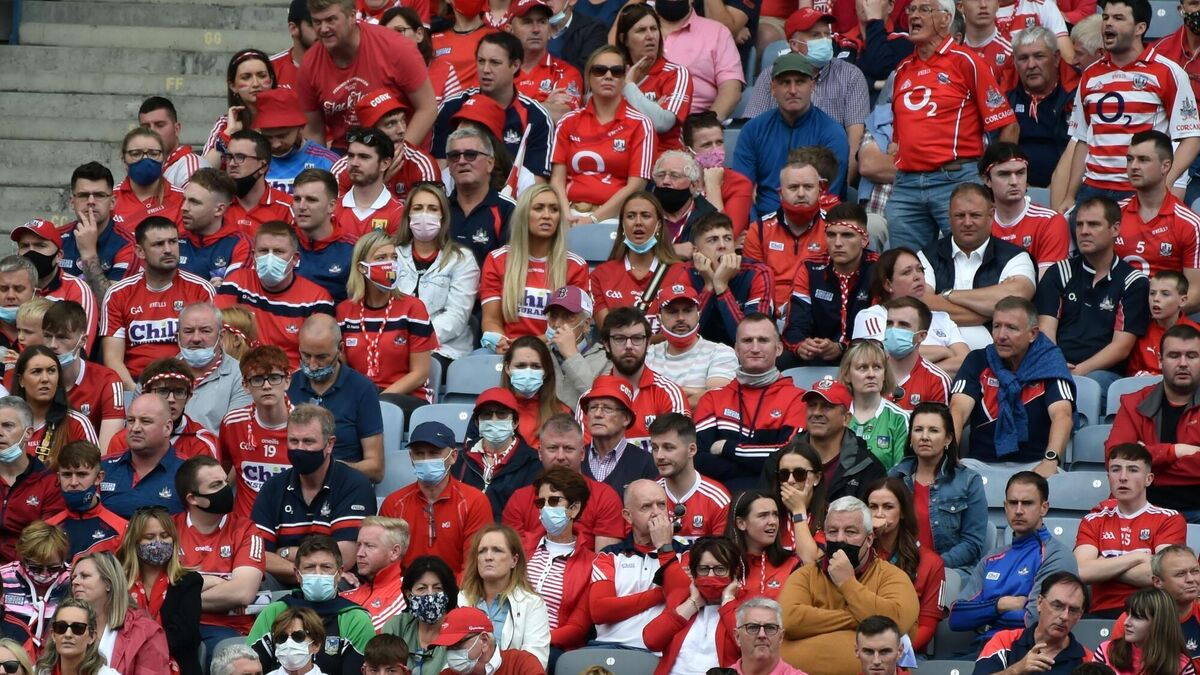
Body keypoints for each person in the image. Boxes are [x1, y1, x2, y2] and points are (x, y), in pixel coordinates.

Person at [886, 0, 1017, 252]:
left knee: (970, 257)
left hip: (955, 179)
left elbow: (1007, 124)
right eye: (911, 10)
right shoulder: (902, 69)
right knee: (905, 264)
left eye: (925, 9)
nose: (914, 16)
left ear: (946, 18)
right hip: (906, 185)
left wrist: (994, 175)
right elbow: (899, 137)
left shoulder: (966, 61)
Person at [1060, 0, 1200, 212]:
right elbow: (1082, 139)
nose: (1108, 23)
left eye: (1118, 18)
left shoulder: (1167, 72)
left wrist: (1164, 185)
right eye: (1106, 17)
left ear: (1140, 28)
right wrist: (1070, 195)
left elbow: (1191, 138)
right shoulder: (1090, 75)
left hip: (1139, 190)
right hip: (1093, 189)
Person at [779, 496, 919, 674]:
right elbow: (788, 620)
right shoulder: (805, 575)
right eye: (832, 531)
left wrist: (847, 583)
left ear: (869, 539)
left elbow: (894, 623)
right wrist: (860, 618)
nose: (840, 539)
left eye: (850, 532)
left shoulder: (892, 576)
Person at [1036, 196, 1150, 397]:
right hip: (1056, 365)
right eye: (1079, 224)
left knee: (1090, 385)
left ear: (1115, 229)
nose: (1084, 231)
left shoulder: (1133, 281)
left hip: (1104, 373)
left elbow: (1121, 347)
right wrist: (1057, 366)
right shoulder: (1058, 272)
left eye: (1094, 224)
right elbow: (1046, 330)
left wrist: (1077, 372)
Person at [949, 295, 1074, 474]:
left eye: (1011, 328)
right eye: (996, 326)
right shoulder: (977, 360)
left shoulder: (1051, 363)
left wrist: (1050, 460)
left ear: (1033, 334)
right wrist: (949, 456)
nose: (1001, 336)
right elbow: (958, 410)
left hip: (1035, 464)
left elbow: (1062, 415)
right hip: (979, 464)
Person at [253, 405, 377, 585]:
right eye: (293, 441)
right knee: (255, 580)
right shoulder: (273, 487)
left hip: (334, 582)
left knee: (339, 581)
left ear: (329, 444)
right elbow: (258, 554)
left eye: (308, 441)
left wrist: (284, 552)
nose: (299, 449)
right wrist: (305, 574)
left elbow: (344, 557)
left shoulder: (354, 485)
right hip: (285, 579)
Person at [950, 471, 1080, 640]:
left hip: (1025, 649)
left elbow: (1035, 620)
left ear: (1044, 508)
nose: (1018, 511)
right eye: (1013, 503)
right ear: (1005, 506)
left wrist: (982, 615)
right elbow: (956, 618)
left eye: (1027, 503)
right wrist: (1000, 605)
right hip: (983, 647)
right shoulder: (991, 558)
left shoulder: (1056, 556)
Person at [746, 9, 871, 180]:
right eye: (815, 35)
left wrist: (839, 187)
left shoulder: (850, 75)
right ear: (794, 44)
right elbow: (753, 136)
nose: (825, 40)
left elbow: (855, 139)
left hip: (830, 175)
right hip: (777, 174)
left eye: (827, 34)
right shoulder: (770, 75)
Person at [297, 0, 436, 150]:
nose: (323, 29)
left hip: (399, 143)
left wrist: (402, 152)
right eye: (317, 22)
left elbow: (427, 108)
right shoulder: (309, 64)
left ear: (352, 16)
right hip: (346, 151)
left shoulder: (396, 47)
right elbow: (315, 131)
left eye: (331, 20)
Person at [916, 184, 1038, 351]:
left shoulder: (1016, 257)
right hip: (939, 352)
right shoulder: (926, 256)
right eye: (960, 215)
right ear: (949, 217)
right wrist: (987, 311)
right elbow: (920, 304)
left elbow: (1016, 300)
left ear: (991, 215)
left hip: (998, 355)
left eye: (975, 215)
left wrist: (948, 294)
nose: (967, 223)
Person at [100, 216, 216, 390]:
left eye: (173, 242)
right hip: (136, 385)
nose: (168, 250)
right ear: (140, 251)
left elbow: (214, 349)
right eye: (159, 244)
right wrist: (139, 394)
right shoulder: (118, 294)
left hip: (188, 384)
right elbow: (113, 360)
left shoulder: (201, 290)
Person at [694, 314, 807, 490]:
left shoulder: (799, 399)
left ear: (778, 348)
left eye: (763, 340)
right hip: (720, 497)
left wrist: (728, 448)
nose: (755, 348)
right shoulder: (713, 399)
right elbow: (698, 458)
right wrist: (755, 467)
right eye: (747, 341)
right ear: (736, 349)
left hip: (774, 498)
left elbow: (788, 457)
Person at [1076, 443, 1188, 617]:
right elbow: (1082, 571)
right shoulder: (1093, 520)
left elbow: (1163, 575)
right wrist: (1137, 557)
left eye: (1133, 470)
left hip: (1151, 612)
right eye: (1115, 470)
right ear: (1108, 477)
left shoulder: (1169, 519)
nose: (1122, 477)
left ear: (1148, 479)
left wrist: (1104, 565)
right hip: (1102, 613)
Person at [732, 56, 848, 219]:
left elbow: (828, 196)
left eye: (800, 82)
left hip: (814, 223)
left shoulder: (832, 133)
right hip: (762, 221)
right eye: (785, 83)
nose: (793, 90)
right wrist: (754, 228)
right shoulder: (753, 130)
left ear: (812, 86)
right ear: (773, 88)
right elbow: (741, 191)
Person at [173, 455, 266, 657]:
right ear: (192, 498)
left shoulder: (246, 530)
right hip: (175, 625)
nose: (226, 489)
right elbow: (155, 587)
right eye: (216, 485)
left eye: (225, 481)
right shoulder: (168, 530)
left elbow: (242, 592)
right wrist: (212, 583)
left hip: (229, 630)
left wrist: (181, 598)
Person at [551, 46, 655, 225]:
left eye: (616, 71)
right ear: (588, 77)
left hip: (616, 217)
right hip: (568, 212)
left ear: (624, 78)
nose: (608, 76)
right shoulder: (568, 121)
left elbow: (637, 185)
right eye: (600, 70)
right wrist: (566, 216)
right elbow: (556, 179)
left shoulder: (641, 124)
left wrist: (592, 219)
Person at [433, 33, 555, 185]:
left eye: (495, 63)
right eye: (481, 61)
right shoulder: (452, 107)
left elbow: (536, 185)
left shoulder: (536, 116)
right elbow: (440, 168)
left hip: (515, 197)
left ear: (515, 65)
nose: (485, 69)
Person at [479, 185, 589, 352]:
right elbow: (491, 319)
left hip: (554, 351)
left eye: (554, 209)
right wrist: (503, 344)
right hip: (507, 350)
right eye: (538, 208)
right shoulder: (497, 259)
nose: (547, 215)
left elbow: (572, 327)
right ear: (523, 214)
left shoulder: (576, 266)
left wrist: (525, 347)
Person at [338, 229, 436, 412]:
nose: (390, 264)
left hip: (406, 398)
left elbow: (420, 373)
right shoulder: (345, 311)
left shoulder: (413, 308)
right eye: (381, 258)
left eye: (394, 257)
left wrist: (378, 400)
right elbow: (342, 368)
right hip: (360, 396)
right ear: (362, 267)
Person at [1108, 323, 1200, 519]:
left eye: (1192, 356)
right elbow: (1115, 458)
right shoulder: (1134, 403)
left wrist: (1147, 457)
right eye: (1174, 356)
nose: (1183, 363)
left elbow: (1131, 463)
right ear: (1160, 361)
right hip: (1141, 509)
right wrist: (1176, 451)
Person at [215, 220, 336, 367]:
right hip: (242, 372)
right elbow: (219, 331)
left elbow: (317, 357)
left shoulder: (317, 299)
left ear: (295, 259)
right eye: (263, 251)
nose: (270, 258)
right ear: (253, 255)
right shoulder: (237, 283)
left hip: (291, 375)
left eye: (278, 251)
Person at [248, 536, 375, 674]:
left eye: (326, 567)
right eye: (310, 567)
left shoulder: (355, 619)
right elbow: (248, 666)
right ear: (297, 574)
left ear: (339, 573)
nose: (318, 574)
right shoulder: (274, 612)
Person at [380, 421, 494, 573]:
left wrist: (446, 587)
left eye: (434, 453)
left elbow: (473, 567)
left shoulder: (474, 502)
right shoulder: (394, 504)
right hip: (404, 587)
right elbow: (386, 565)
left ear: (453, 456)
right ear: (411, 457)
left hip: (459, 587)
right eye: (419, 454)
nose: (426, 459)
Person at [502, 414, 626, 553]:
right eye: (552, 448)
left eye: (568, 449)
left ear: (582, 453)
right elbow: (512, 558)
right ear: (540, 453)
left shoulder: (604, 497)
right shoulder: (519, 499)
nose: (560, 457)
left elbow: (604, 561)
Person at [888, 402, 988, 573]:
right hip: (901, 569)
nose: (924, 437)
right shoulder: (895, 477)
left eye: (933, 430)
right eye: (918, 430)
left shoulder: (969, 480)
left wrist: (932, 566)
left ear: (948, 439)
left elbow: (972, 543)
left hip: (949, 569)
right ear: (910, 437)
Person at [286, 314, 385, 481]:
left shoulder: (362, 389)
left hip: (342, 484)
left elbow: (376, 469)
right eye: (306, 355)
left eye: (321, 357)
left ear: (340, 348)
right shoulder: (288, 385)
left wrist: (326, 467)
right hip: (293, 482)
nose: (312, 365)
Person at [783, 205, 880, 367]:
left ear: (864, 240)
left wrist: (842, 347)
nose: (838, 243)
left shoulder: (878, 269)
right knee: (781, 360)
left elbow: (879, 332)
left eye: (847, 235)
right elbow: (795, 323)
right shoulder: (810, 267)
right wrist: (801, 346)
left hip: (864, 354)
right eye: (831, 235)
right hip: (818, 354)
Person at [588, 479, 680, 651]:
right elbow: (600, 611)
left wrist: (664, 547)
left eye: (661, 505)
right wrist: (662, 593)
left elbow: (680, 598)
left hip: (659, 653)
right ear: (627, 516)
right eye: (646, 507)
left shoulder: (686, 553)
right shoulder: (609, 555)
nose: (656, 513)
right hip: (606, 647)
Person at [394, 184, 479, 363]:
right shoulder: (392, 255)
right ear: (408, 215)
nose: (424, 215)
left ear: (443, 217)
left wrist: (416, 339)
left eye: (432, 209)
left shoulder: (462, 259)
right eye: (418, 208)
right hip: (394, 341)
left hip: (445, 349)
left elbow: (456, 316)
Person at [1114, 132, 1200, 309]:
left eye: (1143, 160)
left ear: (1165, 166)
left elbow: (1196, 293)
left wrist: (1152, 312)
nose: (1133, 166)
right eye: (1130, 159)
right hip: (1112, 314)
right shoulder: (1113, 214)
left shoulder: (1190, 224)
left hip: (1161, 320)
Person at [519, 466, 598, 658]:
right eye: (541, 502)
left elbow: (577, 628)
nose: (546, 508)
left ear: (574, 508)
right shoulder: (520, 548)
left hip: (552, 648)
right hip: (509, 639)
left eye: (554, 501)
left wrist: (533, 642)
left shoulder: (591, 564)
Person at [116, 506, 203, 675]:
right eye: (149, 537)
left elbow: (184, 636)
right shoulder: (118, 583)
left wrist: (140, 648)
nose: (158, 542)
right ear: (134, 542)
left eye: (164, 536)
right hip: (124, 665)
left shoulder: (189, 582)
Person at [866, 478, 946, 653]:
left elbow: (927, 625)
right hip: (856, 647)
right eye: (872, 507)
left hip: (904, 652)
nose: (879, 514)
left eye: (888, 507)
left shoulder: (931, 563)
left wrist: (892, 653)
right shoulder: (858, 554)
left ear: (902, 512)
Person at [643, 536, 742, 674]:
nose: (711, 575)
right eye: (703, 569)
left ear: (734, 572)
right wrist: (693, 603)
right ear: (694, 572)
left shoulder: (746, 605)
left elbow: (748, 646)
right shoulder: (680, 597)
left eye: (720, 569)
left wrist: (727, 602)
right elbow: (652, 641)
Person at [589, 191, 687, 328]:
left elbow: (680, 328)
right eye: (631, 216)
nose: (638, 222)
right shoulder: (600, 275)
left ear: (659, 224)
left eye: (646, 216)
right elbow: (607, 331)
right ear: (622, 224)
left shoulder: (680, 272)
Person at [593, 307, 689, 447]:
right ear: (606, 345)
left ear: (648, 343)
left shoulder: (669, 394)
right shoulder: (591, 399)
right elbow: (585, 457)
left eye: (637, 338)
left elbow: (679, 452)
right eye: (620, 339)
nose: (629, 346)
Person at [457, 524, 551, 667]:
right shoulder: (460, 600)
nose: (488, 557)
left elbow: (535, 662)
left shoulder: (533, 604)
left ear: (514, 560)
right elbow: (451, 658)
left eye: (497, 550)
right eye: (482, 551)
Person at [218, 345, 294, 520]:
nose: (266, 386)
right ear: (245, 385)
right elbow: (222, 472)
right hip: (246, 526)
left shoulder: (304, 424)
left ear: (287, 380)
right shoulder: (233, 423)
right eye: (258, 379)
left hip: (290, 524)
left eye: (274, 378)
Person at [974, 572, 1096, 675]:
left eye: (1073, 610)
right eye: (1057, 606)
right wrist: (1016, 670)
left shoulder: (1088, 661)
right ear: (1039, 603)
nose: (1064, 616)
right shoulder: (1005, 641)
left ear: (1080, 615)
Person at [70, 552, 171, 675]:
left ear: (108, 583)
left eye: (84, 576)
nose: (75, 582)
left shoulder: (145, 632)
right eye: (73, 578)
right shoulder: (63, 626)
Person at [684, 213, 774, 345]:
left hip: (745, 354)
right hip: (699, 352)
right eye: (712, 240)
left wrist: (721, 286)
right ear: (696, 252)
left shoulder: (758, 272)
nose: (722, 245)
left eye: (727, 238)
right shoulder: (687, 272)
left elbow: (752, 340)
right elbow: (683, 335)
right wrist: (709, 286)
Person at [611, 5, 691, 152]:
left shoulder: (676, 73)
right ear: (624, 39)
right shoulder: (612, 72)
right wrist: (652, 108)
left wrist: (628, 87)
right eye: (641, 30)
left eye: (654, 29)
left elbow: (662, 123)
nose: (650, 36)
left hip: (663, 158)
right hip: (621, 153)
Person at [104, 358, 218, 461]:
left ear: (188, 397)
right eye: (163, 391)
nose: (171, 399)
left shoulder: (202, 443)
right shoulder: (123, 440)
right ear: (145, 394)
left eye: (179, 392)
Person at [10, 220, 98, 353]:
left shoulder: (77, 289)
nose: (31, 252)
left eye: (40, 245)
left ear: (59, 256)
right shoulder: (8, 287)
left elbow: (79, 350)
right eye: (25, 246)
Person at [452, 387, 542, 518]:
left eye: (502, 414)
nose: (494, 420)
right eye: (487, 415)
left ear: (515, 422)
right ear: (477, 423)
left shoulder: (533, 463)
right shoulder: (461, 460)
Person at [1007, 27, 1077, 190]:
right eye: (1023, 58)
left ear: (1056, 58)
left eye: (1039, 56)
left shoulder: (1078, 92)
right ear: (1014, 62)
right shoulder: (1003, 93)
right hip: (1015, 187)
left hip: (1069, 187)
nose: (1031, 65)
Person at [983, 143, 1071, 274]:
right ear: (987, 180)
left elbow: (1047, 282)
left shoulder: (1050, 221)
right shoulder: (979, 223)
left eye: (1020, 173)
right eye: (1004, 174)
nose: (1014, 182)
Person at [645, 283, 736, 408]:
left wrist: (662, 398)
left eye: (688, 311)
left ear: (699, 314)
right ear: (659, 318)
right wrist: (697, 392)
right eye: (672, 312)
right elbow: (638, 399)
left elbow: (718, 398)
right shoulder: (647, 355)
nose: (681, 318)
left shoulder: (721, 352)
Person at [796, 379, 887, 504]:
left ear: (846, 418)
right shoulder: (782, 459)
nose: (816, 412)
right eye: (812, 405)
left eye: (827, 406)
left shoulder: (868, 467)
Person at [1108, 546, 1200, 664]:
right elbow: (1118, 667)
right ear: (1157, 582)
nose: (1191, 579)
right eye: (1180, 574)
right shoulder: (1130, 620)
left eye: (1195, 571)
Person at [9, 346, 97, 468]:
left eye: (51, 371)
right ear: (21, 380)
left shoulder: (77, 423)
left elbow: (93, 473)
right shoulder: (3, 422)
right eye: (36, 371)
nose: (45, 379)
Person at [60, 162, 136, 300]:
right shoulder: (56, 238)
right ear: (72, 202)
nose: (91, 201)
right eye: (83, 195)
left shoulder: (128, 245)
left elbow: (111, 303)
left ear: (112, 202)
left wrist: (89, 254)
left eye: (99, 195)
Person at [656, 0, 743, 120]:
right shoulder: (637, 31)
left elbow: (731, 90)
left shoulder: (717, 32)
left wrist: (706, 124)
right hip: (640, 124)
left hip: (695, 122)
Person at [650, 413, 729, 542]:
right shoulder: (647, 495)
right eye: (654, 448)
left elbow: (720, 553)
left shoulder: (718, 500)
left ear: (691, 450)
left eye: (668, 448)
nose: (659, 456)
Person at [445, 126, 517, 265]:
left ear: (490, 163)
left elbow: (512, 266)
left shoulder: (509, 210)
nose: (461, 161)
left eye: (471, 155)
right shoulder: (439, 208)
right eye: (454, 156)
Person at [177, 302, 252, 433]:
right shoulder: (157, 374)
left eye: (205, 331)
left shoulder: (241, 376)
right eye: (188, 331)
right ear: (177, 336)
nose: (196, 338)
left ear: (221, 336)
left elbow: (237, 434)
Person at [578, 375, 658, 497]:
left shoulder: (645, 463)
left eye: (607, 408)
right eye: (593, 407)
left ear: (626, 418)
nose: (598, 414)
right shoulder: (575, 458)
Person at [45, 441, 127, 559]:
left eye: (81, 475)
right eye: (67, 475)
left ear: (99, 478)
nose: (73, 482)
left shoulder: (121, 530)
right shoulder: (47, 529)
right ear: (58, 477)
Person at [380, 555, 458, 674]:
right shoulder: (397, 627)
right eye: (422, 588)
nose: (430, 595)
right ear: (409, 594)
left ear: (447, 593)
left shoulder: (459, 630)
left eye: (437, 588)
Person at [252, 89, 339, 195]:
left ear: (301, 128)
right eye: (268, 137)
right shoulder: (251, 160)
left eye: (282, 136)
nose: (275, 144)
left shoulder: (327, 162)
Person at [287, 168, 355, 303]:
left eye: (311, 200)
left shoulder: (353, 250)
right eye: (297, 199)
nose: (301, 206)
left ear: (332, 206)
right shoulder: (281, 243)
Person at [510, 0, 582, 123]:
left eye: (542, 22)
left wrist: (511, 107)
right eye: (527, 22)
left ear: (549, 30)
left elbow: (562, 114)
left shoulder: (566, 72)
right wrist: (544, 104)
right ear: (510, 30)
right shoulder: (497, 69)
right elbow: (487, 110)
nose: (536, 29)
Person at [203, 49, 277, 168]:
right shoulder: (225, 124)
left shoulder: (288, 119)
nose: (256, 83)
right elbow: (203, 172)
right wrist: (229, 133)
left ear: (271, 80)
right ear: (233, 86)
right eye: (246, 77)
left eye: (262, 76)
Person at [178, 168, 253, 285]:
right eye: (184, 199)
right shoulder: (173, 240)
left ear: (219, 210)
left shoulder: (240, 245)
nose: (184, 207)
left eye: (194, 202)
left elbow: (235, 292)